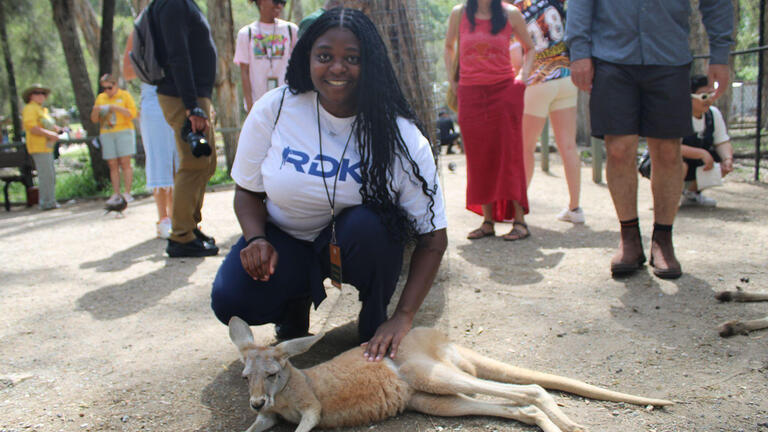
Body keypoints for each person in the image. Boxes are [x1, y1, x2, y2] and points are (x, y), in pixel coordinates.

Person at [211, 8, 448, 362]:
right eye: (325, 56)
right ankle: (292, 307)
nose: (337, 68)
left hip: (354, 242)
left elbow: (433, 239)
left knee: (372, 225)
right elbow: (247, 190)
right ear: (307, 57)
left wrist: (404, 316)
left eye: (352, 58)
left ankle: (374, 317)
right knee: (231, 299)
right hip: (285, 240)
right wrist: (256, 238)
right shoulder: (275, 109)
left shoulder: (401, 138)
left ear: (371, 64)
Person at [565, 0, 733, 279]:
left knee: (668, 151)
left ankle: (663, 241)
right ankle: (629, 238)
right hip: (612, 56)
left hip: (668, 56)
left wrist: (720, 54)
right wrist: (579, 50)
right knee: (618, 149)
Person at [444, 0, 535, 241]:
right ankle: (487, 221)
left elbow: (530, 48)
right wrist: (453, 81)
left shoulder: (511, 14)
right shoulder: (459, 13)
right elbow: (448, 46)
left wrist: (522, 78)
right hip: (470, 94)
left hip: (504, 92)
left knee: (510, 154)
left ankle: (519, 221)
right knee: (478, 156)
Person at [152, 0, 219, 257]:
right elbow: (177, 54)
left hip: (193, 95)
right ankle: (181, 236)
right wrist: (192, 107)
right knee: (194, 163)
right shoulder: (172, 4)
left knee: (205, 163)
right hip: (184, 97)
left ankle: (190, 227)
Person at [515, 0, 584, 224]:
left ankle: (518, 208)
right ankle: (575, 207)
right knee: (568, 145)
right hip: (565, 77)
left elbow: (517, 53)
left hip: (538, 80)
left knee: (525, 148)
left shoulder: (515, 9)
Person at [123, 31, 179, 238]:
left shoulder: (179, 25)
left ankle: (179, 216)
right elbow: (127, 71)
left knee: (179, 160)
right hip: (154, 100)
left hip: (179, 95)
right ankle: (163, 217)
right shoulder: (140, 31)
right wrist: (156, 64)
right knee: (159, 159)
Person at [235, 0, 299, 112]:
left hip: (287, 104)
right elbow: (244, 72)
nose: (279, 6)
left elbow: (299, 66)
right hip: (259, 106)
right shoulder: (246, 34)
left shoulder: (291, 30)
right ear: (260, 2)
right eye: (276, 1)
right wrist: (250, 107)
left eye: (283, 2)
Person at [680, 74, 734, 207]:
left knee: (721, 163)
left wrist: (727, 159)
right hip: (663, 162)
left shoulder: (713, 114)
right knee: (680, 166)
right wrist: (701, 153)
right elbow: (670, 146)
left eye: (711, 95)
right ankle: (669, 196)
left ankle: (691, 194)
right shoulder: (677, 115)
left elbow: (722, 141)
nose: (708, 100)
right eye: (704, 96)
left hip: (698, 162)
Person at [91, 74, 138, 206]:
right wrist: (96, 111)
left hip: (124, 131)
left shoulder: (125, 95)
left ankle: (127, 192)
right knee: (112, 164)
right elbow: (94, 119)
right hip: (107, 132)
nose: (107, 91)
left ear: (116, 85)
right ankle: (116, 193)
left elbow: (132, 114)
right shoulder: (101, 98)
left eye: (109, 87)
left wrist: (115, 108)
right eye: (104, 88)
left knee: (125, 162)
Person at [21, 84, 61, 210]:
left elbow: (46, 125)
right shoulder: (29, 108)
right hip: (39, 146)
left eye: (43, 93)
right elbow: (32, 127)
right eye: (37, 93)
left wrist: (57, 130)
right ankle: (46, 202)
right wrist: (49, 134)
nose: (41, 96)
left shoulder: (42, 110)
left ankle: (50, 200)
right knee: (45, 175)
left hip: (47, 146)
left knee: (50, 175)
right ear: (30, 96)